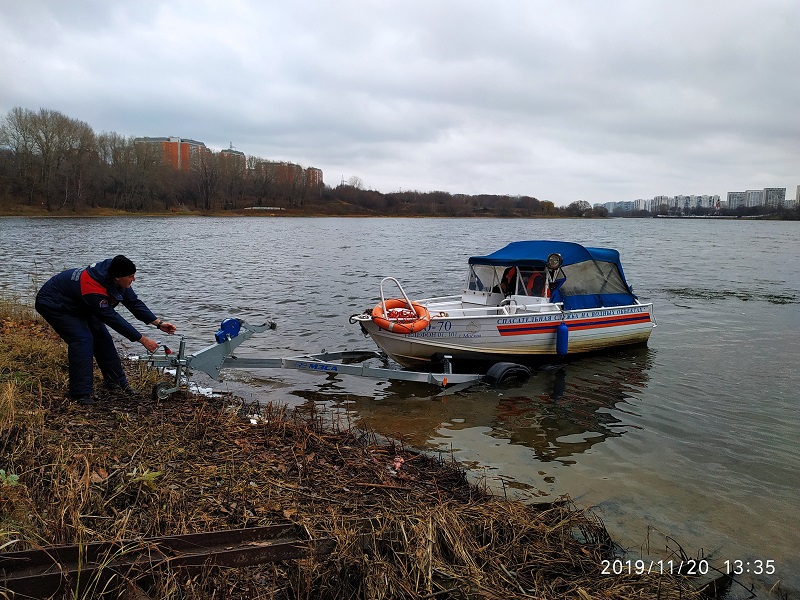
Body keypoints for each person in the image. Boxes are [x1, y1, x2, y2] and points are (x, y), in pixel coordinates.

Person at [35, 255, 176, 406]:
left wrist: (158, 323)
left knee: (103, 338)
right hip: (55, 303)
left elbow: (134, 303)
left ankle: (116, 384)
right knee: (83, 340)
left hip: (80, 303)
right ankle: (81, 393)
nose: (133, 279)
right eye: (131, 276)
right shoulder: (92, 287)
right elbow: (112, 319)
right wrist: (143, 339)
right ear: (117, 278)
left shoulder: (118, 273)